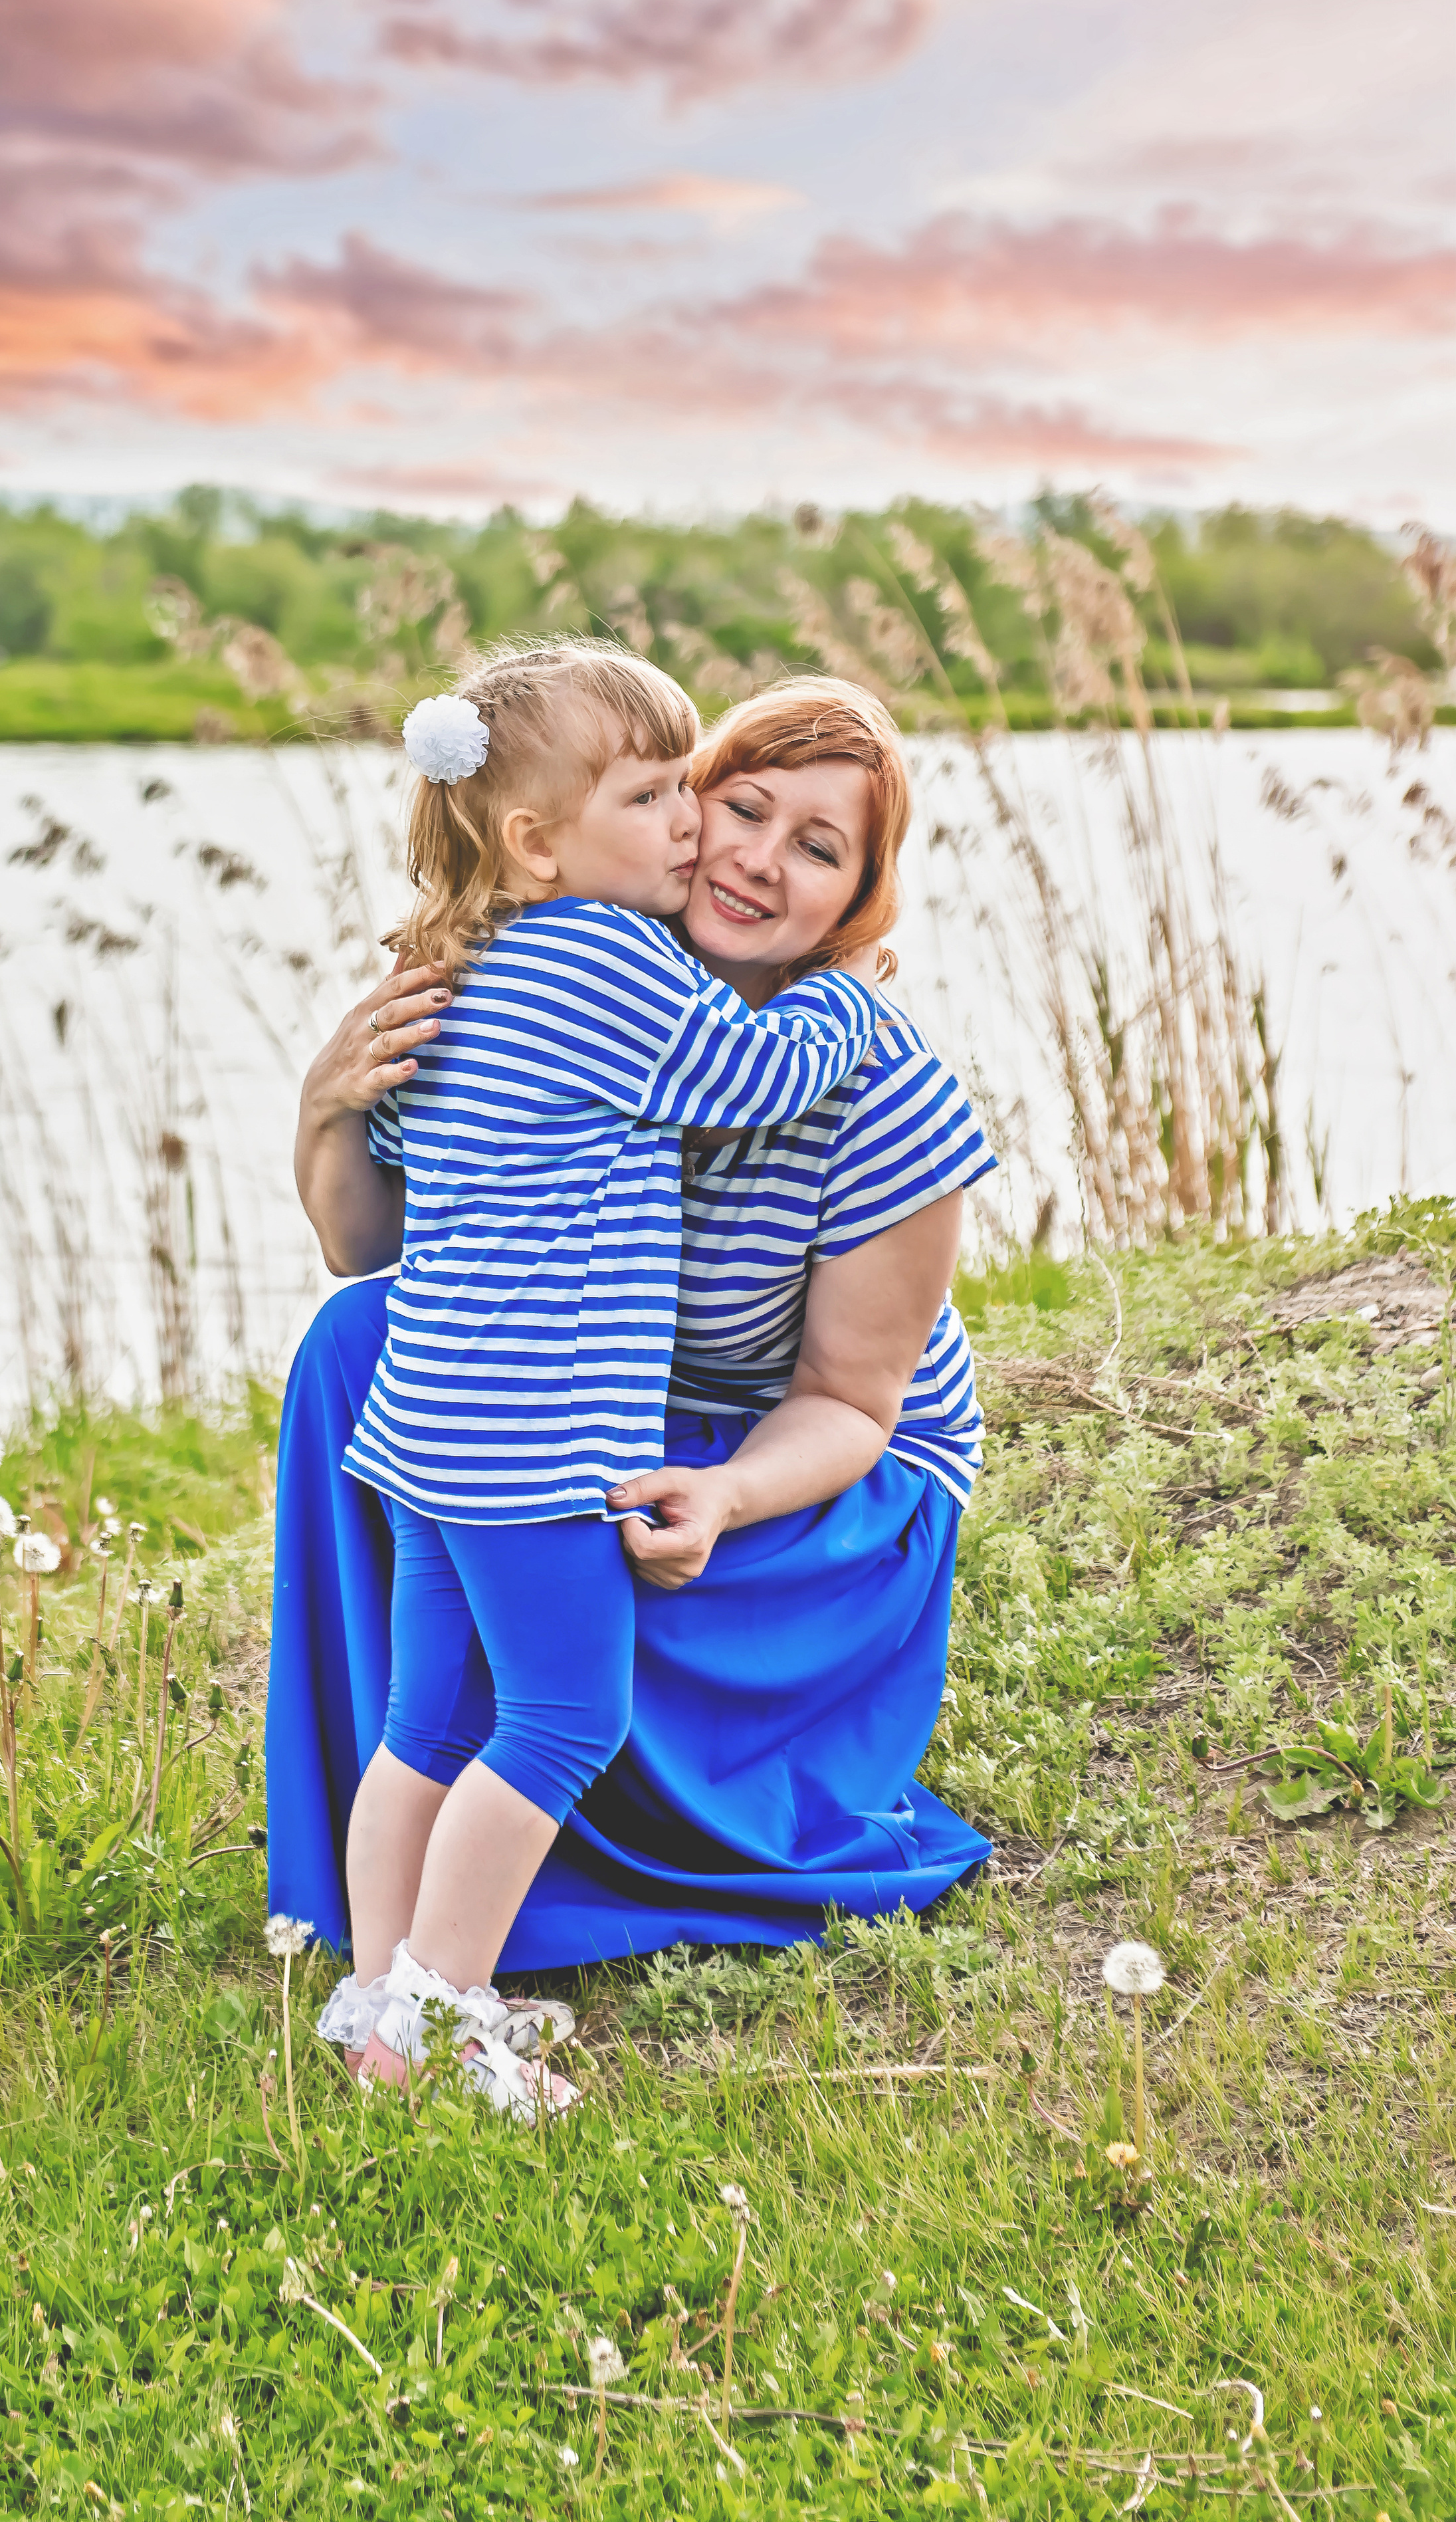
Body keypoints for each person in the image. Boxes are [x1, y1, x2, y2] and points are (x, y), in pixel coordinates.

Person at [266, 672, 996, 2063]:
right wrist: (324, 1108)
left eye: (817, 849)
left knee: (450, 1702)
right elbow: (361, 1248)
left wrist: (722, 1496)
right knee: (357, 1362)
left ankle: (395, 1980)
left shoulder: (869, 1076)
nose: (748, 856)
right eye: (730, 806)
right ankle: (428, 2011)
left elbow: (852, 1404)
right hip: (568, 1417)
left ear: (855, 905)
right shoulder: (592, 971)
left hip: (810, 1474)